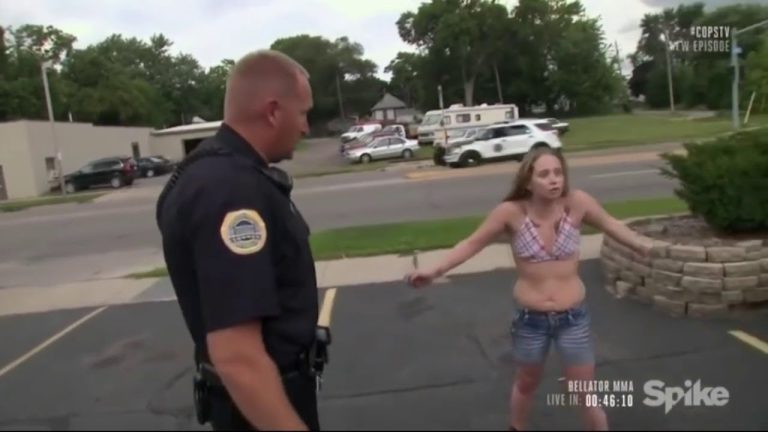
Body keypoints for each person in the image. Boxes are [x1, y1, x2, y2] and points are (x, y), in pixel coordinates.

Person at [405, 146, 652, 431]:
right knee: (526, 382)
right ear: (528, 181)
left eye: (558, 173)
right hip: (530, 321)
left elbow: (610, 223)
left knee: (583, 391)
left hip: (573, 319)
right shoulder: (510, 212)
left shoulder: (578, 202)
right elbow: (472, 243)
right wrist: (434, 270)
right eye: (545, 174)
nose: (554, 180)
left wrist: (641, 245)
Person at [156, 50, 327, 431]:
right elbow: (237, 355)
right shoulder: (231, 192)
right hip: (258, 408)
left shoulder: (216, 174)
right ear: (272, 111)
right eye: (302, 113)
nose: (306, 128)